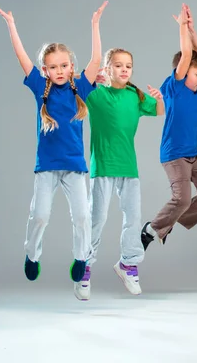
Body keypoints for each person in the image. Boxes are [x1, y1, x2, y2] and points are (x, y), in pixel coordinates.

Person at [0, 1, 107, 285]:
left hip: (74, 167)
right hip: (46, 167)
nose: (59, 70)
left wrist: (94, 25)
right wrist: (11, 26)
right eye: (53, 67)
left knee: (82, 217)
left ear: (71, 67)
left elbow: (95, 62)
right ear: (45, 70)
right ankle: (32, 254)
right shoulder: (39, 87)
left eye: (64, 65)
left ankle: (81, 257)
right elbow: (21, 56)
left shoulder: (80, 87)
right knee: (40, 215)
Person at [73, 48, 165, 300]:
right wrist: (92, 79)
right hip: (103, 167)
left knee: (133, 219)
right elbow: (75, 87)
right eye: (119, 65)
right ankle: (84, 269)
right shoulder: (95, 94)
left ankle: (128, 265)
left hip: (129, 168)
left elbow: (158, 111)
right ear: (107, 68)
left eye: (129, 66)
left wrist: (158, 98)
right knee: (97, 219)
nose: (125, 70)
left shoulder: (135, 96)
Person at [141, 4, 197, 249]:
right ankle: (151, 229)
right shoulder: (175, 87)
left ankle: (169, 222)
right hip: (175, 156)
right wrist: (181, 28)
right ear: (182, 72)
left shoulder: (192, 89)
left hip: (192, 156)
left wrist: (192, 29)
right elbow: (188, 56)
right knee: (182, 199)